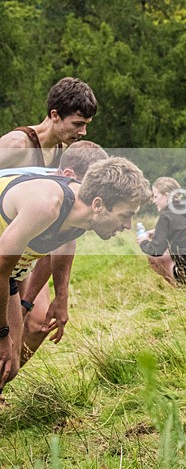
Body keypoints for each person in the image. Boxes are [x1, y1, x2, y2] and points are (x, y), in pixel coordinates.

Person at [0, 157, 151, 389]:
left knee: (8, 366)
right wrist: (2, 333)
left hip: (6, 275)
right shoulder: (46, 205)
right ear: (99, 205)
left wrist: (62, 297)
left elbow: (66, 242)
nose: (128, 226)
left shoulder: (82, 213)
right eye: (125, 215)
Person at [11, 141, 109, 374]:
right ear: (69, 175)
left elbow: (57, 244)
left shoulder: (78, 202)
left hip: (21, 261)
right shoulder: (43, 196)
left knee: (37, 325)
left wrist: (46, 299)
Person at [0, 77, 97, 169]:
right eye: (78, 124)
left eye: (86, 124)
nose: (83, 132)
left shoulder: (62, 148)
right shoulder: (17, 144)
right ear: (55, 115)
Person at [137, 177, 186, 287]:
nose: (154, 201)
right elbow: (183, 228)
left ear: (166, 195)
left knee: (154, 258)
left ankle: (179, 287)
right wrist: (159, 231)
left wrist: (144, 242)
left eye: (155, 196)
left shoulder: (166, 216)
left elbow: (156, 250)